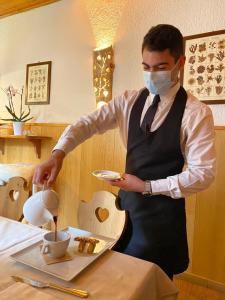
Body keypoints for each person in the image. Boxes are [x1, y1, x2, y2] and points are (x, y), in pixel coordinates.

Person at [33, 24, 216, 280]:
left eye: (161, 67)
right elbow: (88, 123)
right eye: (146, 67)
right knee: (116, 281)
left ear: (180, 62)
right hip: (125, 213)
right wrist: (58, 154)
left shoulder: (195, 113)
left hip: (162, 221)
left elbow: (203, 174)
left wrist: (147, 186)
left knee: (152, 287)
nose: (152, 75)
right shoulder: (128, 101)